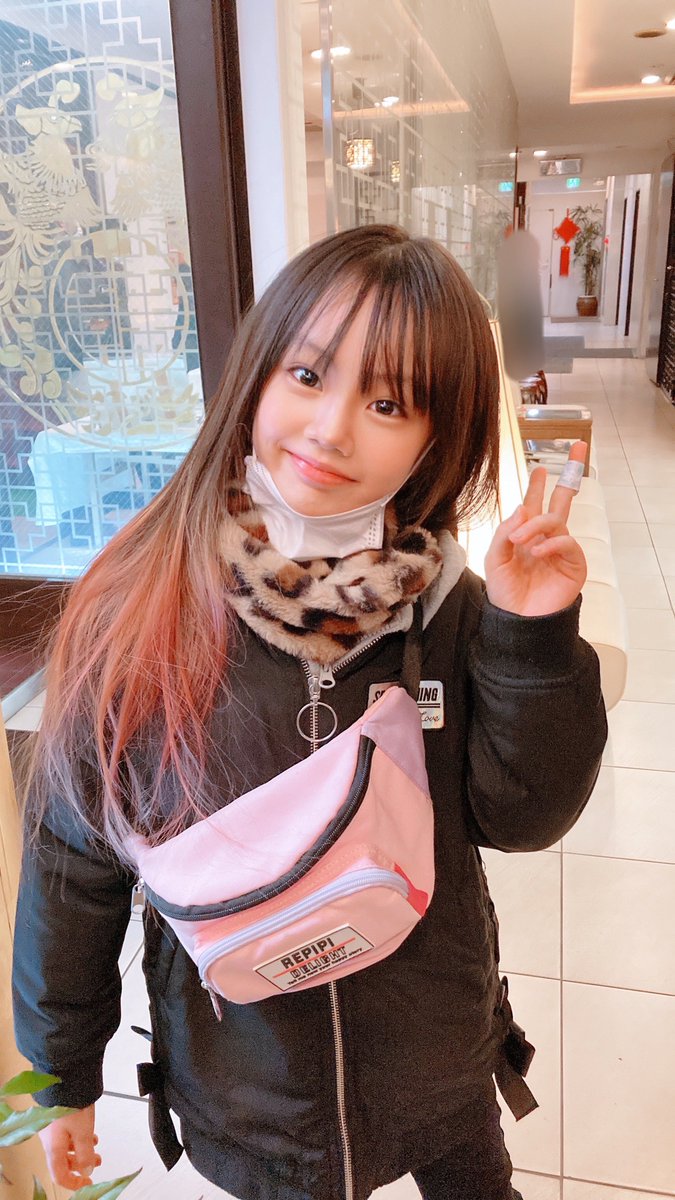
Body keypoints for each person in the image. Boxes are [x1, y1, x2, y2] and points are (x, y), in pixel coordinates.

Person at [12, 225, 607, 1200]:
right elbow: (74, 869)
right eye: (306, 375)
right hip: (250, 1089)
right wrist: (60, 1079)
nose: (331, 429)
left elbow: (522, 817)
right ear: (256, 377)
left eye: (387, 403)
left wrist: (530, 634)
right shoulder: (142, 608)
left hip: (438, 1057)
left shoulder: (449, 605)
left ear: (437, 436)